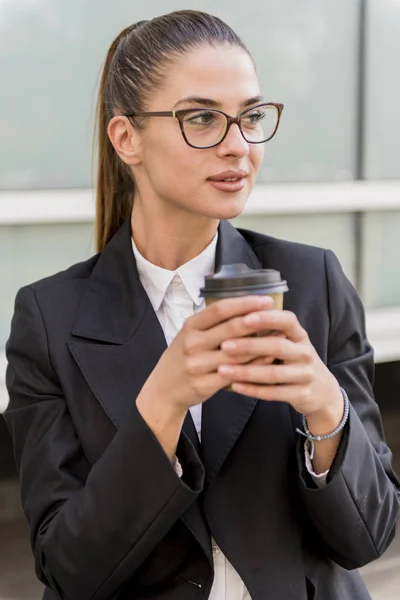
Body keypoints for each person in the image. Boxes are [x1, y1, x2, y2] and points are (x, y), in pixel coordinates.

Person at [4, 10, 400, 600]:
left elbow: (371, 537)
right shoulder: (48, 319)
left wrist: (325, 407)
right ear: (126, 138)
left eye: (251, 117)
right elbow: (68, 569)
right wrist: (161, 406)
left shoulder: (312, 282)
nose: (239, 146)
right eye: (203, 119)